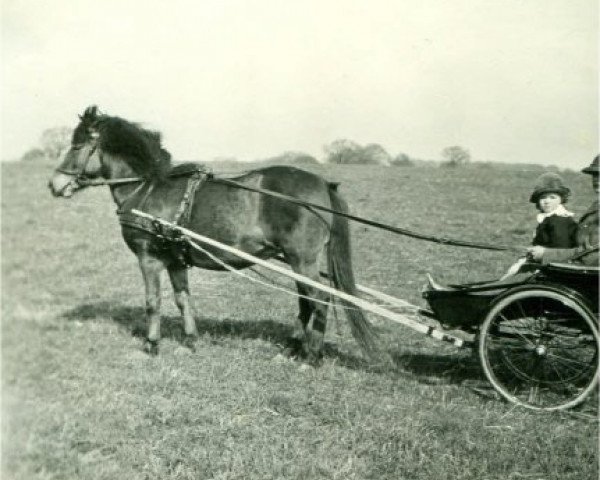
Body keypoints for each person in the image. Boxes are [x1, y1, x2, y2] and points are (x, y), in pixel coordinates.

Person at [501, 172, 577, 278]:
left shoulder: (560, 220)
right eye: (543, 197)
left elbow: (560, 250)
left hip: (550, 265)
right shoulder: (548, 218)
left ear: (561, 200)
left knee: (512, 280)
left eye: (552, 197)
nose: (547, 201)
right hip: (541, 261)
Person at [527, 155, 599, 266]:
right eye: (595, 175)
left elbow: (593, 254)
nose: (597, 180)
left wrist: (546, 254)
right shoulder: (596, 205)